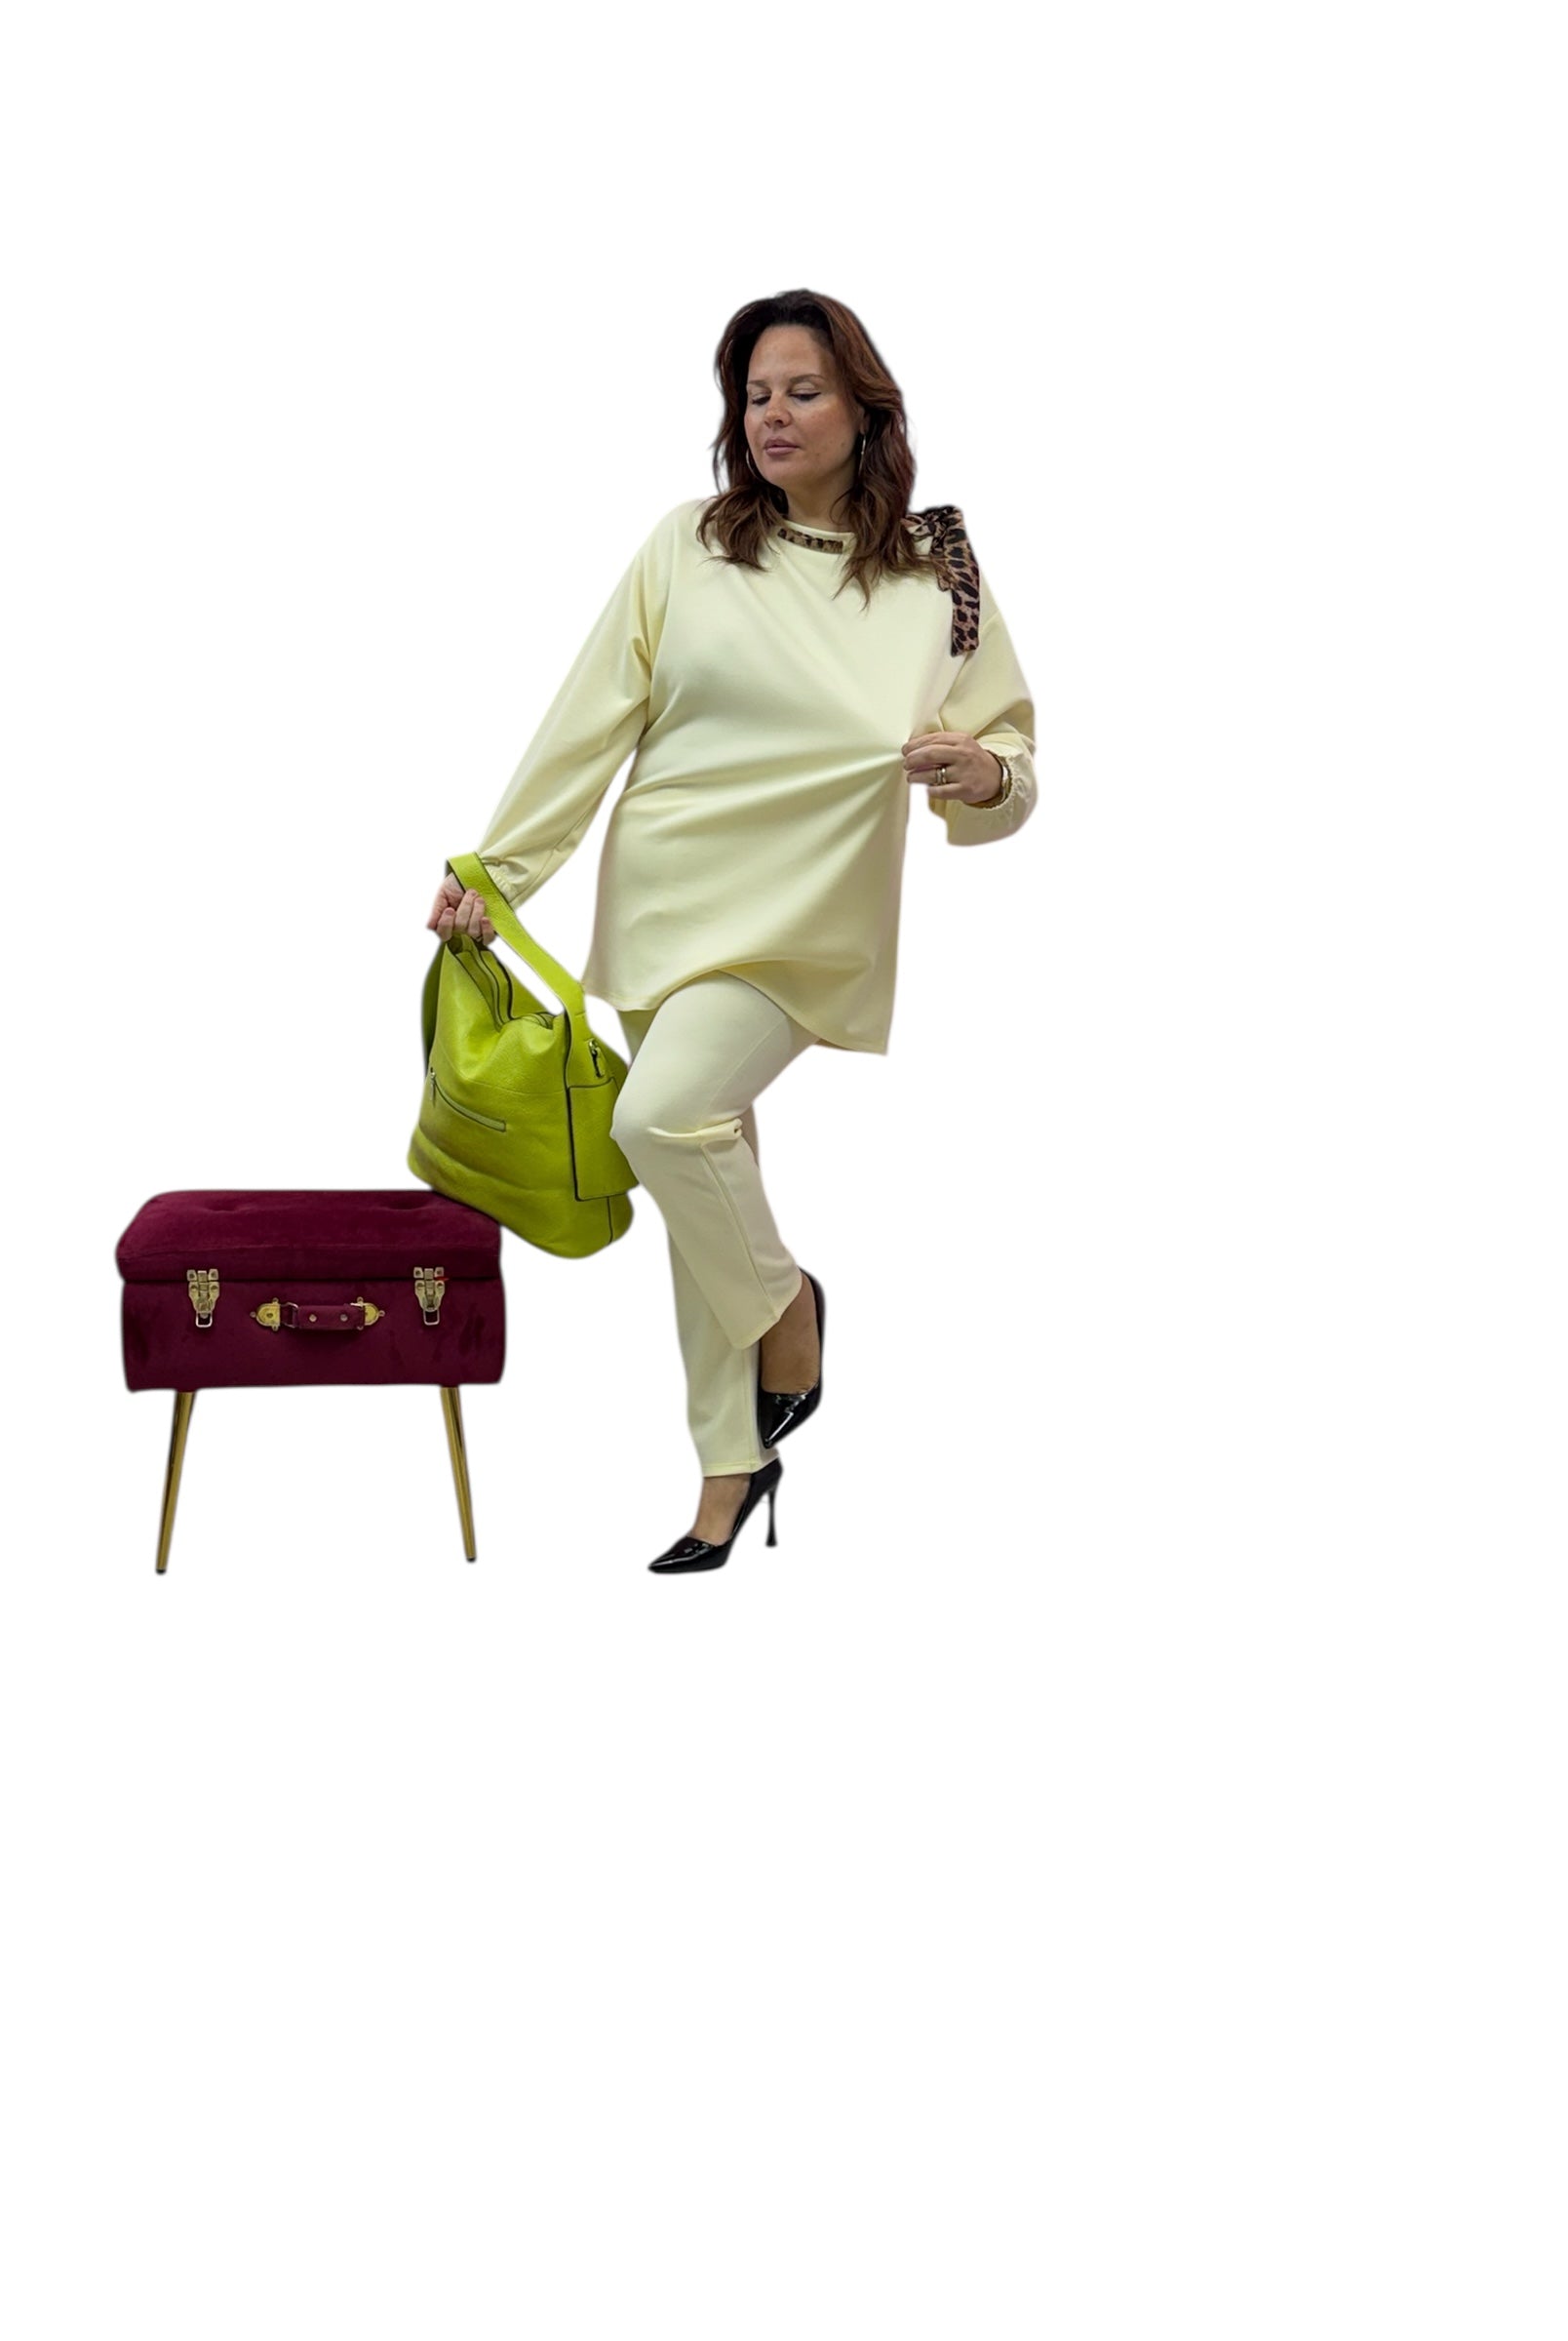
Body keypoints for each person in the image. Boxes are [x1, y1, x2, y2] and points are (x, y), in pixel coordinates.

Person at [426, 288, 1037, 1574]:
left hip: (805, 923)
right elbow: (587, 724)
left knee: (661, 1123)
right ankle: (729, 1470)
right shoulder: (689, 544)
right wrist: (497, 873)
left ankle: (788, 1309)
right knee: (701, 1177)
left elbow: (1011, 750)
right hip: (666, 899)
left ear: (866, 409)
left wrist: (985, 776)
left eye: (802, 391)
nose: (772, 416)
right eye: (754, 395)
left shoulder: (940, 570)